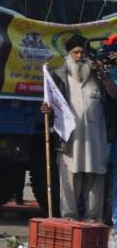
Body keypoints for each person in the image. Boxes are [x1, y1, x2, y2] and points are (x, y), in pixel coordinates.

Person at [42, 34, 117, 221]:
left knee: (95, 180)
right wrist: (45, 109)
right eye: (75, 52)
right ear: (68, 55)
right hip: (70, 140)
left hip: (96, 140)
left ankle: (93, 220)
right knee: (68, 181)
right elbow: (50, 104)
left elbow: (114, 96)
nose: (79, 56)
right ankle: (69, 219)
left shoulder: (98, 78)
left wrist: (104, 75)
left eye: (83, 52)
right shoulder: (58, 77)